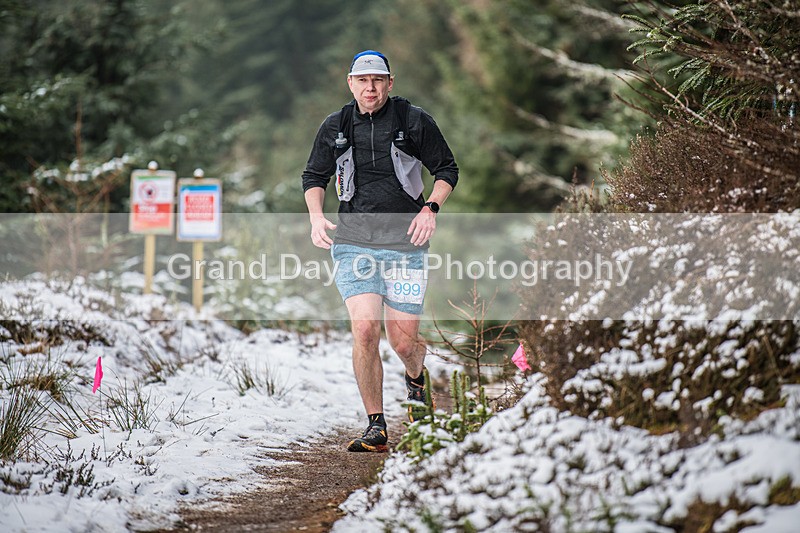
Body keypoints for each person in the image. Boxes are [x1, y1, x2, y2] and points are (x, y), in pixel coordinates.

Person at [301, 50, 458, 452]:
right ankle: (376, 425)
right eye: (362, 81)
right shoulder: (335, 125)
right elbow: (313, 175)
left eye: (378, 81)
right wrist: (317, 218)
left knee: (403, 342)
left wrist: (430, 209)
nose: (370, 88)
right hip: (353, 242)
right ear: (350, 83)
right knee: (365, 329)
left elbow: (447, 170)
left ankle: (416, 380)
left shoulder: (413, 120)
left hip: (406, 242)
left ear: (390, 83)